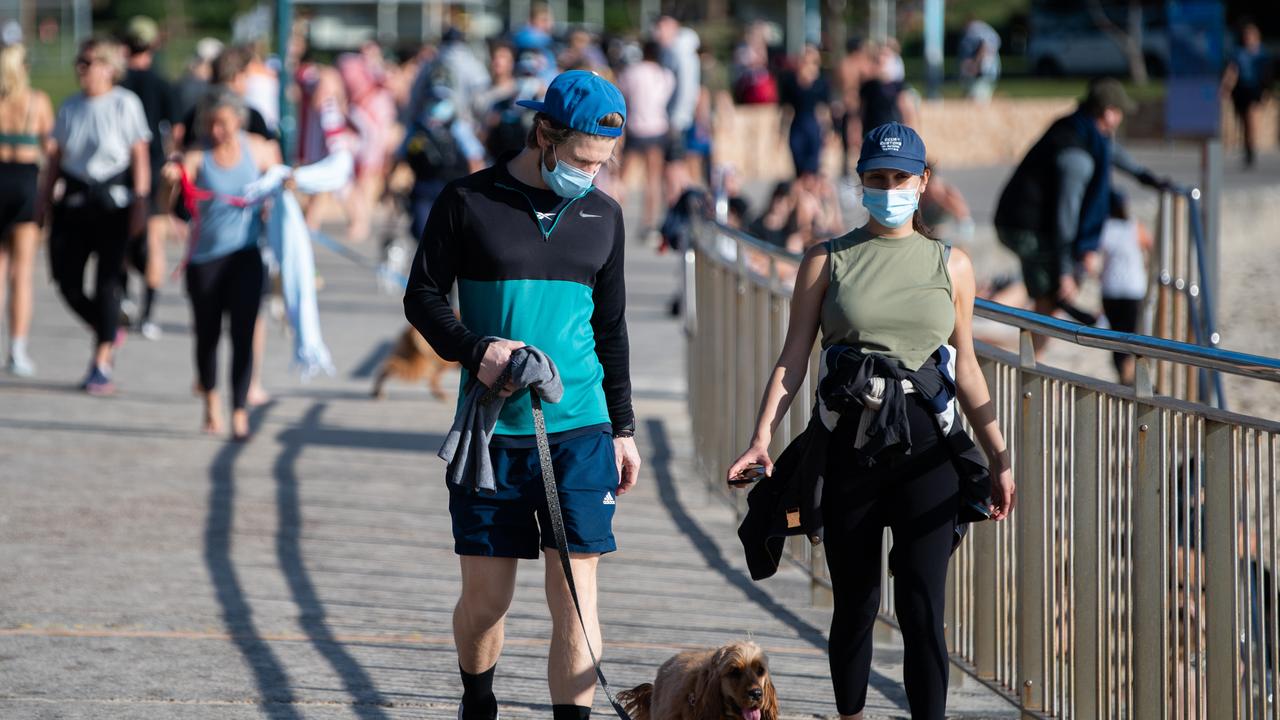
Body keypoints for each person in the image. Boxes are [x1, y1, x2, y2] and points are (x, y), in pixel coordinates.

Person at [728, 122, 1015, 720]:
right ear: (860, 183)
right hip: (848, 453)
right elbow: (792, 358)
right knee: (856, 604)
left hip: (928, 454)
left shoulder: (951, 265)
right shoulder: (825, 260)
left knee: (921, 607)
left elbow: (967, 369)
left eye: (900, 178)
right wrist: (761, 439)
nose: (889, 190)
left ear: (923, 182)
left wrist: (998, 457)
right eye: (877, 179)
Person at [403, 70, 641, 720]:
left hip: (581, 427)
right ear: (544, 134)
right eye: (582, 159)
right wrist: (474, 349)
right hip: (493, 435)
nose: (592, 173)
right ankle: (477, 701)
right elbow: (421, 297)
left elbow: (611, 329)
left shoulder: (604, 216)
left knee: (576, 595)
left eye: (604, 162)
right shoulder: (467, 201)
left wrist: (623, 428)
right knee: (487, 604)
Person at [994, 77, 1167, 358]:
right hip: (1024, 225)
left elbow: (1114, 153)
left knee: (1050, 295)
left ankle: (1034, 356)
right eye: (1120, 111)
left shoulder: (1082, 129)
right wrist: (1066, 269)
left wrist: (1146, 178)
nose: (1120, 117)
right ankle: (1031, 362)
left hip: (1024, 221)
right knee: (1051, 294)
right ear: (1109, 112)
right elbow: (1067, 216)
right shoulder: (1078, 157)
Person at [164, 89, 280, 440]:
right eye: (211, 124)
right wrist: (168, 182)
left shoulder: (258, 150)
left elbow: (283, 188)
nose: (217, 131)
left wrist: (279, 195)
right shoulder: (197, 156)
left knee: (243, 336)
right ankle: (211, 402)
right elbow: (170, 205)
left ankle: (240, 411)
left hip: (246, 256)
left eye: (224, 124)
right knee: (207, 336)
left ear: (239, 121)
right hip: (204, 261)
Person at [37, 37, 151, 395]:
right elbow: (56, 159)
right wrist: (44, 202)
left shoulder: (124, 104)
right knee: (66, 282)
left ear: (108, 67)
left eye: (88, 63)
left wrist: (140, 205)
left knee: (107, 283)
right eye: (79, 63)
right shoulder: (70, 107)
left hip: (113, 202)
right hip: (75, 200)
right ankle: (108, 328)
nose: (81, 70)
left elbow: (140, 156)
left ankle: (101, 362)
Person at [119, 15, 176, 340]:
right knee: (154, 240)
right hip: (153, 169)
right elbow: (175, 135)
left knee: (123, 237)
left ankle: (125, 296)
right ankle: (149, 313)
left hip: (122, 170)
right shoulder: (162, 84)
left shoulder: (119, 84)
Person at [0, 42, 53, 376]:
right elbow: (52, 148)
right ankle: (17, 348)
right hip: (25, 183)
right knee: (23, 273)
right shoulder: (37, 102)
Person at [617, 41, 675, 234]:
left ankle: (614, 216)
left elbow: (622, 96)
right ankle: (649, 222)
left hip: (635, 127)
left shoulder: (631, 72)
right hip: (657, 127)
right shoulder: (665, 75)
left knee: (622, 178)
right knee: (653, 179)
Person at [1098, 190, 1152, 384]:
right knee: (1132, 334)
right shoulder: (1134, 226)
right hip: (1133, 287)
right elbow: (1151, 245)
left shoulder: (1104, 228)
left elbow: (1096, 259)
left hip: (1111, 288)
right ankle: (1128, 377)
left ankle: (1123, 375)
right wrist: (1145, 265)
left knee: (1115, 336)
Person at [1221, 22, 1271, 169]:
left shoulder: (1262, 54)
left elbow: (1267, 74)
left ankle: (1251, 149)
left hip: (1255, 90)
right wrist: (1226, 88)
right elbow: (1232, 71)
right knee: (1243, 122)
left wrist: (1266, 90)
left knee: (1251, 119)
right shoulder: (1239, 53)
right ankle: (1247, 148)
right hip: (1241, 90)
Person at [779, 45, 831, 179]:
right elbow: (786, 109)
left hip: (813, 127)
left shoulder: (821, 82)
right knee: (799, 168)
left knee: (812, 169)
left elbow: (823, 109)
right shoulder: (790, 81)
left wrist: (827, 131)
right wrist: (780, 131)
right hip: (797, 127)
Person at [958, 16, 1001, 102]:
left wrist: (976, 63)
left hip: (986, 62)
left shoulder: (974, 29)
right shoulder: (981, 27)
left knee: (979, 91)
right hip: (989, 60)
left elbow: (984, 46)